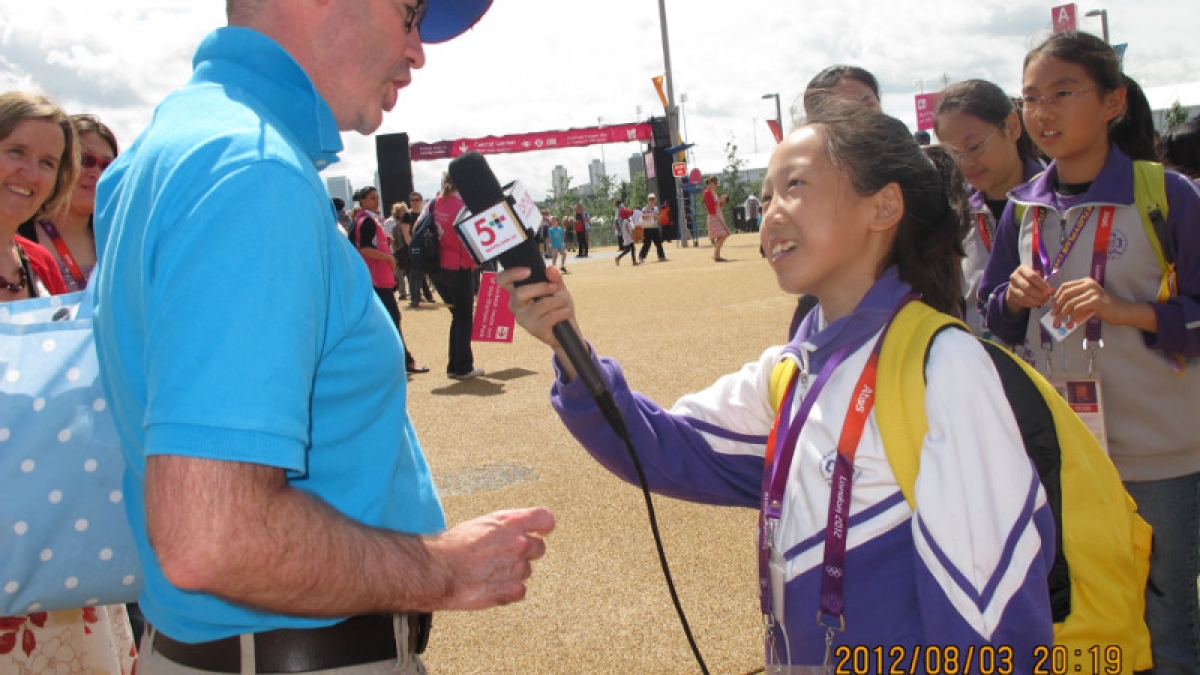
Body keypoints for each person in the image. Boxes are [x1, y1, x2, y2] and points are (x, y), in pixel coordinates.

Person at [90, 4, 555, 675]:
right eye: (412, 13)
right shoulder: (252, 168)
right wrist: (445, 568)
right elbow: (214, 535)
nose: (417, 51)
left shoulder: (165, 149)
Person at [499, 107, 1053, 668]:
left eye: (795, 186)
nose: (771, 215)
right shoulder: (790, 369)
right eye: (765, 199)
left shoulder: (944, 366)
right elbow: (660, 448)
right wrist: (566, 346)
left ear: (884, 206)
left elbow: (993, 617)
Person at [979, 31, 1200, 674]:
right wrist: (1013, 299)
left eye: (1062, 93)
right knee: (1088, 619)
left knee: (1168, 628)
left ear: (1112, 102)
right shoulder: (1022, 211)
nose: (1042, 111)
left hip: (1160, 454)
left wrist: (1126, 310)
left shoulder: (1167, 196)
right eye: (1031, 98)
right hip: (1067, 458)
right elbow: (999, 320)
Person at [1, 90, 138, 675]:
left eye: (48, 161)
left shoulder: (36, 260)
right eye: (16, 151)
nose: (30, 173)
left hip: (48, 532)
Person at [934, 79, 1045, 336]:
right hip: (986, 367)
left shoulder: (1060, 201)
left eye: (974, 147)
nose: (966, 162)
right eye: (953, 153)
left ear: (1012, 127)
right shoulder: (957, 218)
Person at [16, 113, 116, 292]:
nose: (95, 172)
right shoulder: (16, 236)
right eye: (85, 160)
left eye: (107, 165)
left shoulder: (115, 242)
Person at [350, 186, 427, 374]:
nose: (377, 201)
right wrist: (388, 258)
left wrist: (386, 243)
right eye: (372, 198)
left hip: (373, 278)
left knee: (381, 321)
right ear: (362, 201)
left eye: (377, 197)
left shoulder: (363, 220)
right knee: (392, 319)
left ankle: (390, 362)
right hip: (375, 278)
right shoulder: (366, 221)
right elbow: (365, 248)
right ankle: (405, 361)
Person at [430, 172, 483, 380]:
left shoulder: (433, 204)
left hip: (436, 268)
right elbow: (471, 238)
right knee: (463, 317)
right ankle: (462, 366)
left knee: (457, 316)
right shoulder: (462, 207)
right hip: (458, 268)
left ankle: (455, 364)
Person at [401, 191, 436, 307]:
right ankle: (415, 299)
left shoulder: (424, 215)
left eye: (417, 199)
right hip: (414, 248)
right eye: (412, 200)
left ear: (421, 201)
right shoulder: (407, 216)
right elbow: (406, 234)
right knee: (414, 274)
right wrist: (414, 248)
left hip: (426, 247)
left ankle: (428, 296)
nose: (414, 202)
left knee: (422, 272)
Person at [703, 175, 730, 262]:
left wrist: (722, 201)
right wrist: (720, 200)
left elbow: (717, 205)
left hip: (717, 215)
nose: (716, 185)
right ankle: (716, 254)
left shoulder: (713, 192)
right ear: (710, 183)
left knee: (722, 235)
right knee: (723, 234)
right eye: (715, 183)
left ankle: (717, 254)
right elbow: (711, 205)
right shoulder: (707, 192)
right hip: (714, 216)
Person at [637, 193, 667, 262]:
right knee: (647, 243)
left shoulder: (656, 208)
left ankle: (661, 257)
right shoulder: (645, 208)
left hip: (655, 227)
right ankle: (641, 256)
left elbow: (658, 217)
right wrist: (651, 214)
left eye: (653, 199)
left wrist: (657, 217)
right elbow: (642, 216)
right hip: (647, 228)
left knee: (658, 242)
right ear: (648, 200)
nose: (652, 200)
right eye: (650, 199)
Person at [613, 201, 638, 266]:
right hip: (628, 237)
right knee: (632, 248)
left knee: (627, 250)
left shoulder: (624, 220)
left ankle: (618, 258)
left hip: (625, 236)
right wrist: (631, 235)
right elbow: (627, 229)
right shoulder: (626, 220)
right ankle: (634, 261)